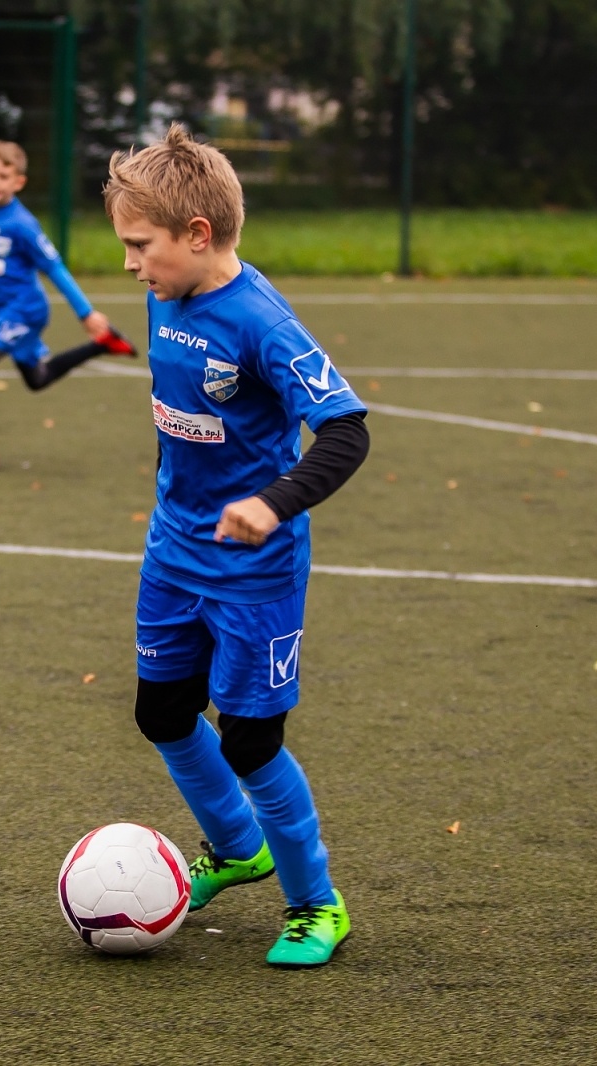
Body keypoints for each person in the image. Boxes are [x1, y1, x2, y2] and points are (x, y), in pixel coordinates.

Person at [103, 124, 371, 967]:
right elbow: (174, 414)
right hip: (172, 550)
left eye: (140, 247)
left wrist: (272, 502)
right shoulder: (164, 295)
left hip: (254, 569)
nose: (130, 265)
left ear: (198, 235)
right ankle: (238, 847)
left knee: (252, 741)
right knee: (162, 713)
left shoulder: (261, 321)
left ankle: (316, 905)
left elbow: (346, 430)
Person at [0, 140, 137, 473]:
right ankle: (101, 345)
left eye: (4, 175)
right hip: (6, 312)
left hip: (26, 310)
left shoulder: (22, 224)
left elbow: (54, 267)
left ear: (18, 183)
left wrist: (85, 312)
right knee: (37, 379)